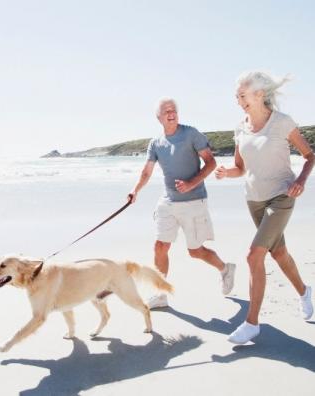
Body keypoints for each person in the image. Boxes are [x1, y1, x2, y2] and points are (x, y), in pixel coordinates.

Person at [215, 71, 314, 344]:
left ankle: (252, 323)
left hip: (281, 196)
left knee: (253, 255)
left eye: (243, 95)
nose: (239, 100)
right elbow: (240, 168)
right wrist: (226, 173)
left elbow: (309, 156)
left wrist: (302, 181)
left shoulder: (282, 123)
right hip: (254, 199)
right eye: (237, 96)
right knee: (279, 253)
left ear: (260, 94)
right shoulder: (240, 127)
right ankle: (305, 291)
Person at [129, 97, 236, 309]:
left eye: (174, 110)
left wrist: (191, 183)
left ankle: (225, 269)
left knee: (195, 251)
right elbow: (147, 171)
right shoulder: (156, 143)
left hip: (194, 200)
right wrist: (135, 191)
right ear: (158, 117)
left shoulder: (191, 134)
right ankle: (160, 294)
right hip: (168, 202)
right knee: (160, 246)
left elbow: (211, 162)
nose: (171, 113)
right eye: (166, 111)